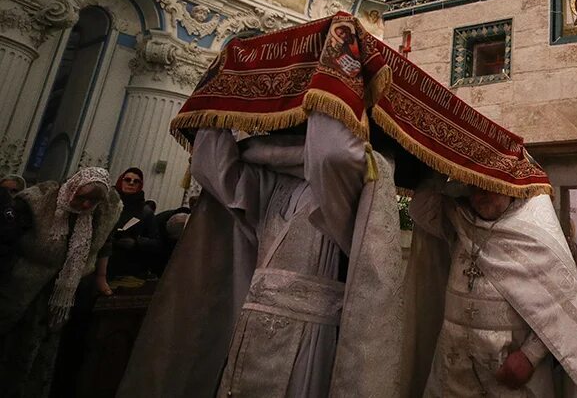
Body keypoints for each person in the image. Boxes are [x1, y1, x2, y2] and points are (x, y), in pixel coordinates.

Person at [117, 114, 405, 398]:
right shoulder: (270, 179)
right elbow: (210, 166)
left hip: (309, 336)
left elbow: (331, 154)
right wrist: (222, 93)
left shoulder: (346, 185)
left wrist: (332, 82)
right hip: (249, 325)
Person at [404, 177, 577, 398]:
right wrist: (445, 164)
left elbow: (565, 307)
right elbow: (419, 208)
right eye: (472, 186)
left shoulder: (536, 235)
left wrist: (530, 356)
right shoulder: (460, 220)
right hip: (454, 368)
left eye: (488, 186)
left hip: (510, 375)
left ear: (510, 186)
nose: (478, 195)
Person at [0, 167, 120, 397]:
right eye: (81, 198)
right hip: (25, 289)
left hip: (61, 299)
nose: (86, 205)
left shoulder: (100, 214)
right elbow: (8, 238)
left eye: (93, 201)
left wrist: (101, 278)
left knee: (43, 358)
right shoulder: (38, 202)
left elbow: (104, 244)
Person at [96, 168, 160, 294]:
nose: (131, 183)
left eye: (136, 181)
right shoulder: (108, 202)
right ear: (121, 181)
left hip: (125, 264)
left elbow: (156, 241)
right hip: (99, 258)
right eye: (127, 180)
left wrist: (136, 242)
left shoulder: (145, 212)